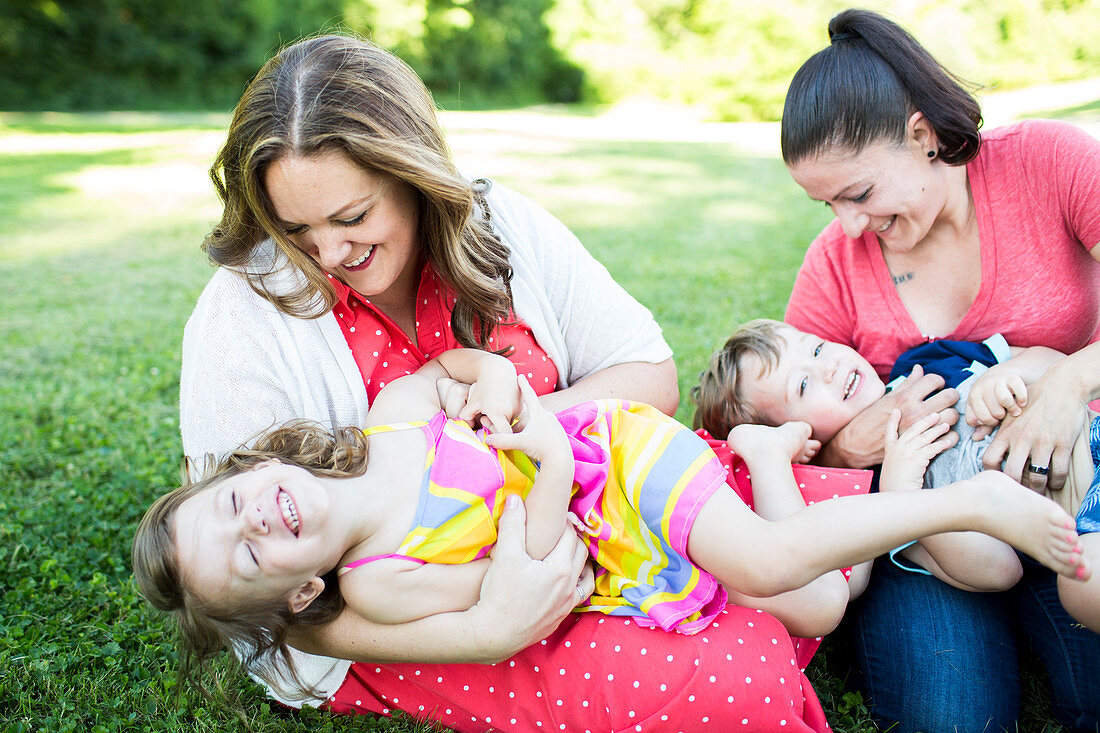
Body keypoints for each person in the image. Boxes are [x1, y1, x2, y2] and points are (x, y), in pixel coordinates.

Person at [177, 31, 833, 731]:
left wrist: (511, 427)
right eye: (296, 229)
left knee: (840, 504)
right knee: (738, 677)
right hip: (430, 614)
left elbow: (647, 376)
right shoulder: (242, 312)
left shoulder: (499, 222)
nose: (331, 251)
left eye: (353, 216)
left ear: (412, 173)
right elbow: (262, 600)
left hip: (590, 510)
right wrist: (487, 628)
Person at [136, 347, 1086, 692]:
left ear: (251, 471)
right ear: (301, 591)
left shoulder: (382, 421)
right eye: (248, 552)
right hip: (594, 508)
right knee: (808, 600)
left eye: (231, 504)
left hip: (619, 450)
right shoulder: (384, 578)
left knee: (761, 562)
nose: (255, 517)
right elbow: (529, 568)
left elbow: (458, 369)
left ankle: (962, 499)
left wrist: (501, 381)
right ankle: (911, 500)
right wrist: (543, 463)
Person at [778, 7, 1100, 731]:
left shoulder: (1050, 162)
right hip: (933, 525)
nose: (848, 225)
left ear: (922, 136)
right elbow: (794, 437)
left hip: (1070, 483)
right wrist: (850, 446)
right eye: (826, 203)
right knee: (949, 712)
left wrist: (1071, 382)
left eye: (857, 194)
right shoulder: (836, 261)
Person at [692, 320, 1097, 616]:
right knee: (1086, 590)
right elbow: (997, 571)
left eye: (815, 349)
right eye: (802, 386)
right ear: (801, 441)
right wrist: (906, 494)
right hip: (1085, 523)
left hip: (1089, 441)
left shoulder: (925, 363)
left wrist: (1009, 372)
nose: (828, 367)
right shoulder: (878, 505)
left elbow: (1050, 361)